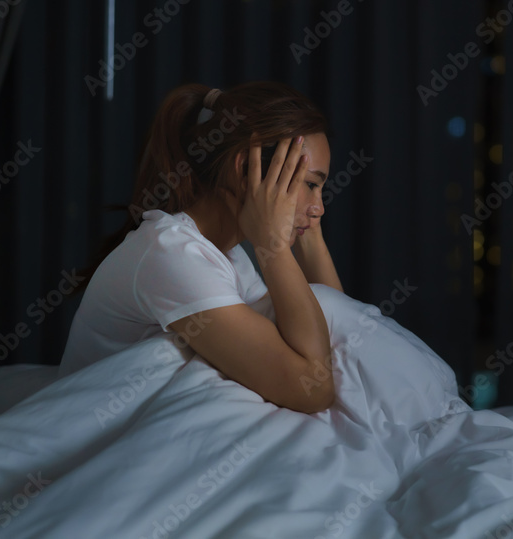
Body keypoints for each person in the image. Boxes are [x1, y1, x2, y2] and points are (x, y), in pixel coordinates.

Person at [59, 81, 341, 414]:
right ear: (244, 170)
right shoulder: (172, 253)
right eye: (310, 184)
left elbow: (339, 325)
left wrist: (310, 232)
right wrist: (276, 246)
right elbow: (314, 389)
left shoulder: (232, 258)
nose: (319, 207)